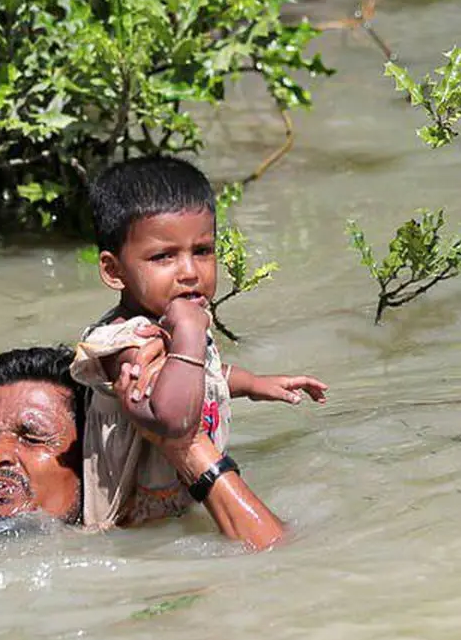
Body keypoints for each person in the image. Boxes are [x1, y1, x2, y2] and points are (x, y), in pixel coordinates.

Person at [71, 156, 328, 530]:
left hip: (182, 507)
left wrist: (252, 384)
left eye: (203, 251)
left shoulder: (174, 322)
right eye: (163, 256)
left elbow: (203, 373)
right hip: (131, 527)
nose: (190, 272)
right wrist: (190, 332)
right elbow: (175, 420)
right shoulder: (126, 343)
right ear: (114, 271)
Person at [0, 346, 284, 550]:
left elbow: (273, 556)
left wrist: (185, 445)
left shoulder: (146, 543)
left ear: (93, 453)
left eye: (31, 437)